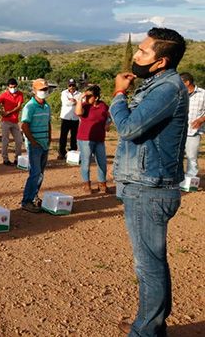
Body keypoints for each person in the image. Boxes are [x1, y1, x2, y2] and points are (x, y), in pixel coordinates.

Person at [110, 27, 188, 336]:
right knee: (152, 262)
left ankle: (146, 330)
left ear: (162, 61)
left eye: (144, 52)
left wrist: (118, 94)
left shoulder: (167, 89)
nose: (137, 56)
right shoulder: (158, 85)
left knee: (148, 266)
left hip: (149, 188)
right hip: (144, 184)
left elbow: (129, 128)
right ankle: (152, 323)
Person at [20, 78, 52, 213]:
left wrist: (49, 138)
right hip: (35, 145)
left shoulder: (47, 106)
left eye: (46, 89)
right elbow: (24, 125)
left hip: (44, 143)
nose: (44, 91)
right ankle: (26, 201)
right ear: (34, 91)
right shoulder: (30, 106)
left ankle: (34, 197)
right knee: (35, 173)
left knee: (40, 174)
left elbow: (48, 123)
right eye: (41, 89)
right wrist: (33, 142)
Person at [74, 84, 112, 194]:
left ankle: (102, 184)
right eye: (86, 96)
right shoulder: (84, 105)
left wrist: (108, 124)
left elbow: (109, 116)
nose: (87, 98)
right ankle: (86, 184)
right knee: (86, 162)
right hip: (85, 139)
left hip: (99, 138)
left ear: (96, 97)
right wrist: (81, 98)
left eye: (89, 96)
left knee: (102, 162)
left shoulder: (103, 106)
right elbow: (78, 112)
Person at [0, 78, 24, 166]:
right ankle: (5, 159)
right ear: (8, 87)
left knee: (19, 140)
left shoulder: (20, 94)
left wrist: (8, 112)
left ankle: (17, 158)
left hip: (14, 121)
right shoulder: (4, 95)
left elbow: (19, 106)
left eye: (14, 86)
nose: (13, 88)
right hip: (6, 121)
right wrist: (0, 113)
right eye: (11, 87)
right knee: (5, 140)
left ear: (17, 86)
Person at [181, 72, 205, 177]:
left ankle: (190, 184)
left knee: (191, 157)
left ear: (187, 82)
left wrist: (202, 119)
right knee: (176, 157)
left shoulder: (203, 94)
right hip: (177, 131)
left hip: (193, 131)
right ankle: (177, 181)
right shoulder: (178, 93)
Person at [58, 79, 81, 160]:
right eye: (70, 85)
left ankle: (73, 151)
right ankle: (61, 152)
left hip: (75, 118)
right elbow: (66, 103)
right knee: (63, 136)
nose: (71, 87)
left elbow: (82, 102)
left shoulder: (79, 94)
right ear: (68, 86)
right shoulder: (64, 93)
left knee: (74, 136)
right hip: (65, 117)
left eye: (73, 85)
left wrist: (74, 101)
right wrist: (76, 101)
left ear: (75, 85)